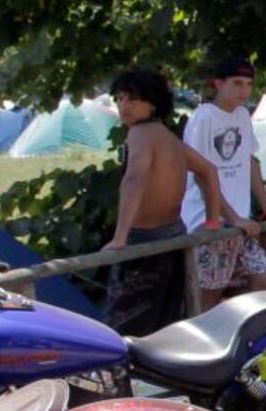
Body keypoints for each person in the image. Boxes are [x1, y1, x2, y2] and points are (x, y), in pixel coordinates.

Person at [102, 69, 248, 336]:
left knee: (123, 329)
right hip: (174, 237)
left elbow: (134, 180)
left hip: (142, 242)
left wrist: (120, 238)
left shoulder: (140, 134)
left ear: (153, 102)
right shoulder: (168, 137)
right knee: (163, 323)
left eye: (133, 99)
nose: (124, 106)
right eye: (120, 99)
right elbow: (208, 170)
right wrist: (212, 221)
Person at [180, 56, 266, 311]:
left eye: (249, 84)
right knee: (208, 296)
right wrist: (232, 218)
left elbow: (250, 162)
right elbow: (202, 175)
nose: (244, 90)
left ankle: (240, 328)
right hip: (209, 222)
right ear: (218, 84)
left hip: (241, 223)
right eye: (237, 83)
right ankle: (206, 334)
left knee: (264, 282)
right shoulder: (204, 117)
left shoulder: (243, 115)